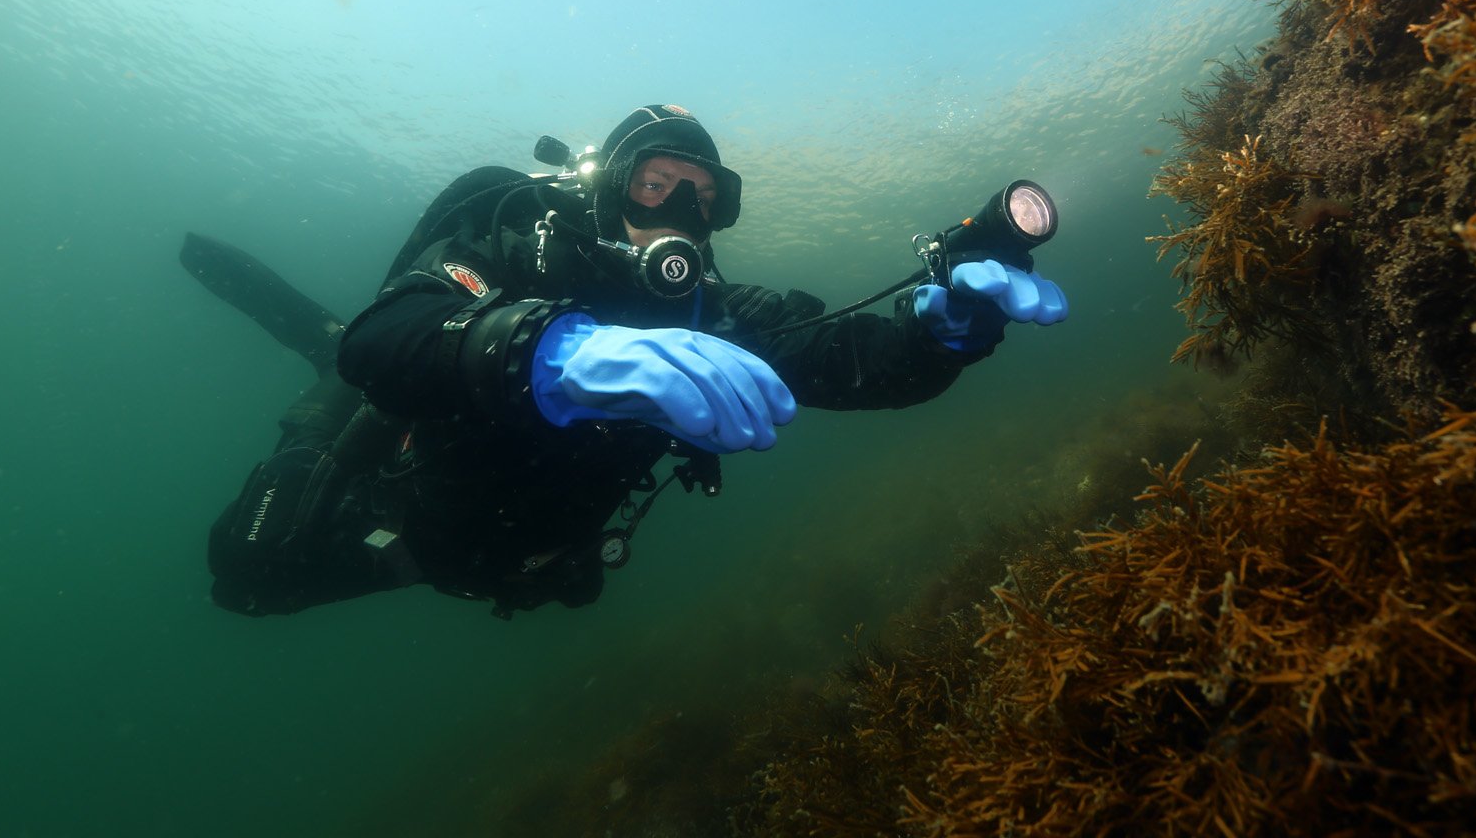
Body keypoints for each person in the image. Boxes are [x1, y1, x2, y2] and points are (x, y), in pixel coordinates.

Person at [197, 104, 1067, 619]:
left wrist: (946, 327)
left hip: (504, 565)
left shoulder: (714, 317)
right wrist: (548, 348)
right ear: (612, 187)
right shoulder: (515, 247)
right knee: (246, 575)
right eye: (657, 183)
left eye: (703, 193)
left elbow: (855, 362)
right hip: (406, 512)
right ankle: (316, 417)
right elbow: (387, 336)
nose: (681, 208)